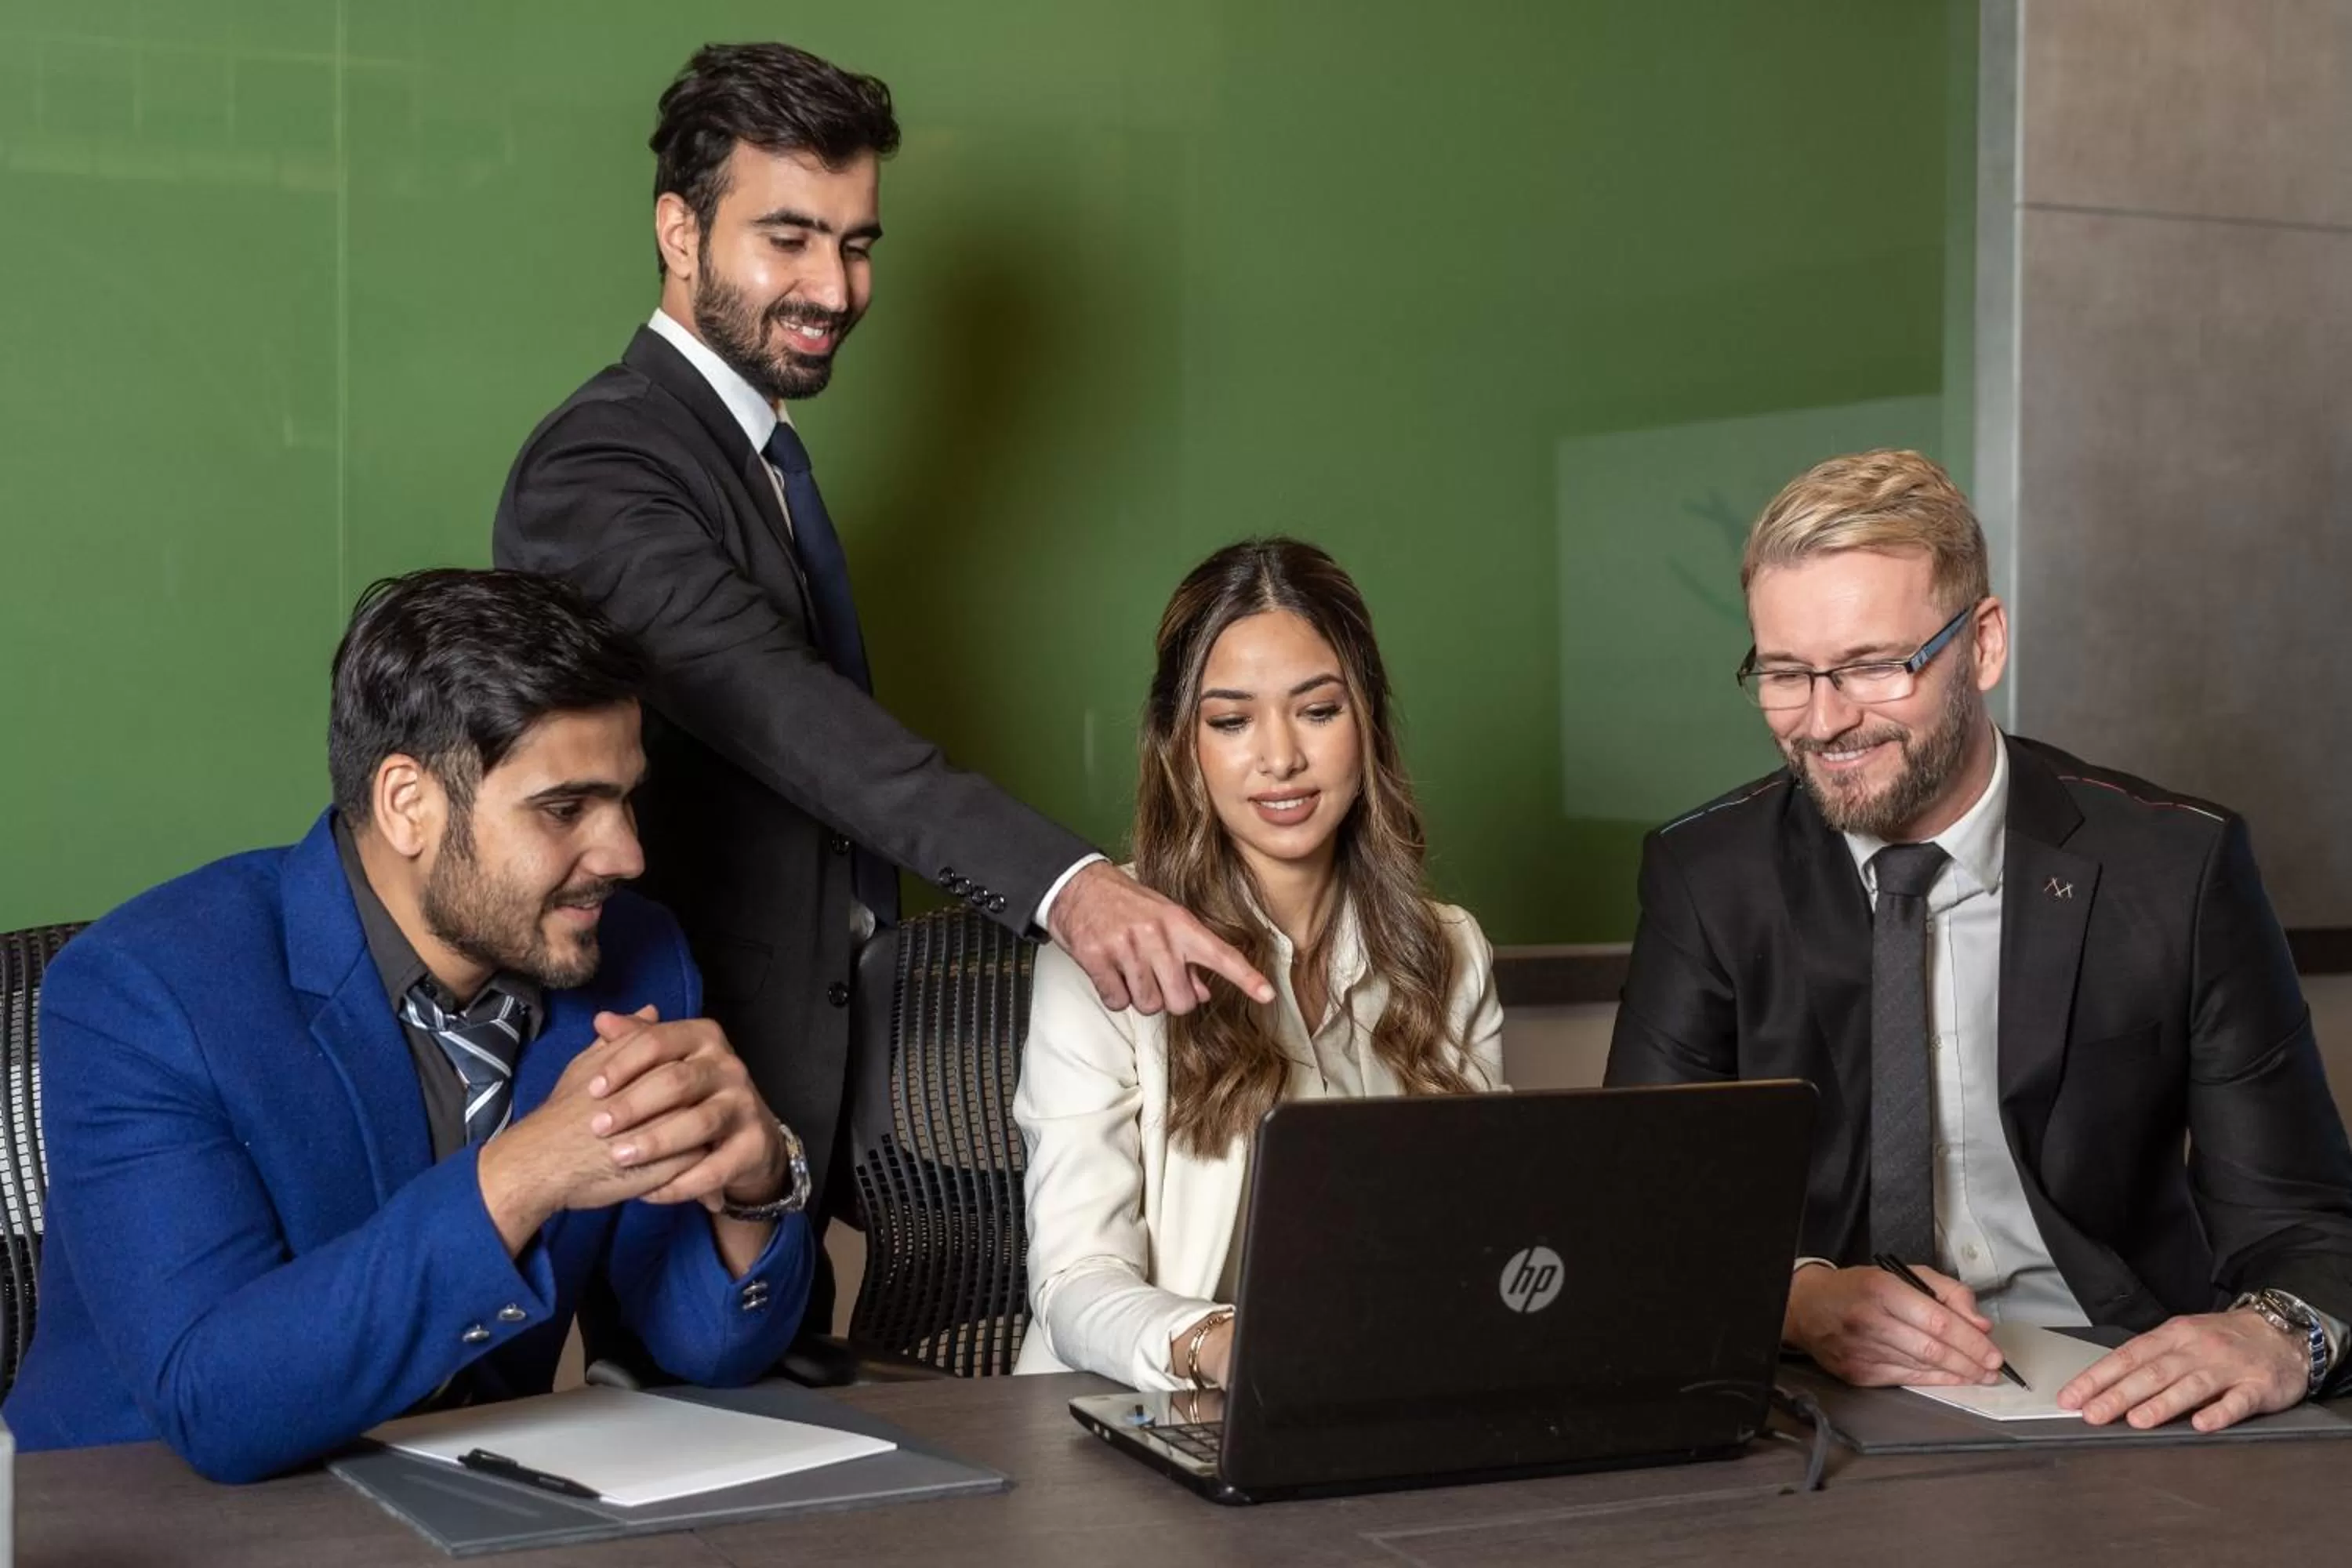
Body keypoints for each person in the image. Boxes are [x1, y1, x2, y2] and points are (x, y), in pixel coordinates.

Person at [492, 41, 1271, 1346]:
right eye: (787, 239)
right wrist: (1068, 885)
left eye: (857, 245)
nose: (834, 288)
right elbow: (785, 715)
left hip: (829, 1091)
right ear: (678, 232)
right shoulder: (606, 460)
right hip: (665, 1080)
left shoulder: (761, 460)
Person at [4, 570, 814, 1479]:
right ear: (407, 803)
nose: (626, 852)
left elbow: (704, 1346)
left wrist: (748, 1191)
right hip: (144, 1513)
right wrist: (525, 1172)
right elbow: (214, 1400)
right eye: (565, 807)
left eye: (626, 797)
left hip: (472, 1504)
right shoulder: (142, 991)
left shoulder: (637, 956)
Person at [1605, 449, 2352, 1432]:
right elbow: (1635, 1209)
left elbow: (2303, 1222)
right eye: (1786, 673)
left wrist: (2271, 1332)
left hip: (2117, 1384)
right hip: (1819, 1401)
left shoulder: (2177, 867)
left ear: (1984, 644)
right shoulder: (1709, 875)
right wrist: (1799, 1297)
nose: (1825, 721)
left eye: (1873, 664)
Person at [1013, 539, 1505, 1390]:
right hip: (1138, 1418)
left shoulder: (1450, 951)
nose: (1279, 757)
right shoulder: (1103, 956)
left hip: (1379, 1398)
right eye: (1231, 721)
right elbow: (1073, 1281)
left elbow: (1495, 1234)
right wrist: (1214, 1342)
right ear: (1183, 744)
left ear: (1368, 720)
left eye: (1317, 710)